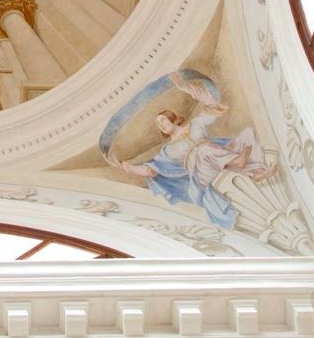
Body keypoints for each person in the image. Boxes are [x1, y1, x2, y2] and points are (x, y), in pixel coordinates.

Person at [107, 73, 274, 229]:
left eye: (162, 120)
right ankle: (238, 160)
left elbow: (212, 105)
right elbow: (150, 170)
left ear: (172, 118)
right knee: (202, 151)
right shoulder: (168, 150)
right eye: (158, 125)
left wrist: (185, 87)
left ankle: (257, 172)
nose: (161, 125)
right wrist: (124, 166)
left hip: (216, 157)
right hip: (201, 176)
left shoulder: (196, 124)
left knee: (247, 134)